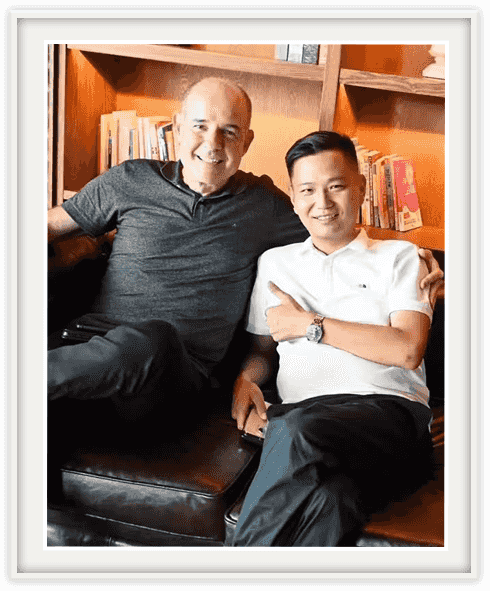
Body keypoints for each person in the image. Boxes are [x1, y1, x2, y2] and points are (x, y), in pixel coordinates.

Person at [47, 77, 443, 438]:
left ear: (246, 143)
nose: (212, 144)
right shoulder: (130, 179)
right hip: (82, 356)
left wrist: (419, 261)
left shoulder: (265, 207)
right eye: (200, 126)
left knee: (153, 340)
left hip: (168, 378)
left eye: (229, 132)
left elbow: (332, 220)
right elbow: (47, 227)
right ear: (178, 128)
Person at [229, 131, 438, 547]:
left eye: (336, 186)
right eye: (307, 190)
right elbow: (261, 351)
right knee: (333, 502)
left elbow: (407, 349)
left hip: (388, 419)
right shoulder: (275, 263)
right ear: (293, 196)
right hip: (307, 427)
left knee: (294, 429)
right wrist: (245, 380)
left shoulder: (401, 257)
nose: (322, 203)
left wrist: (311, 325)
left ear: (360, 188)